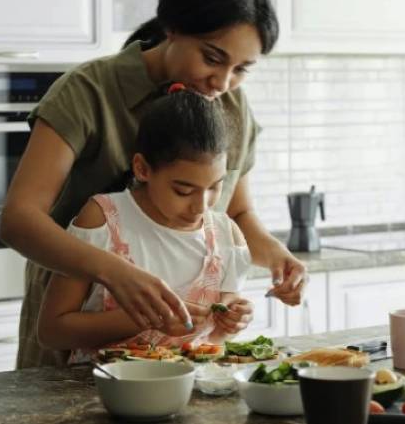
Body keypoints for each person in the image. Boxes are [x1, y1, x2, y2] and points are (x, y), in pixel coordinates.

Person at [0, 0, 307, 368]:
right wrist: (115, 273)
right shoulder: (88, 91)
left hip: (181, 356)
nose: (223, 82)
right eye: (213, 58)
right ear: (173, 28)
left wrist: (278, 257)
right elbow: (19, 220)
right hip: (75, 336)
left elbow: (236, 212)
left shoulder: (231, 105)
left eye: (241, 70)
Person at [37, 87, 253, 361]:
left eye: (215, 187)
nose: (201, 206)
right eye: (183, 191)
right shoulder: (103, 219)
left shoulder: (226, 235)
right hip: (101, 392)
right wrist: (145, 318)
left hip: (192, 393)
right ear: (142, 169)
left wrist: (232, 320)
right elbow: (52, 332)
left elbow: (217, 339)